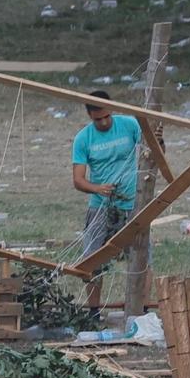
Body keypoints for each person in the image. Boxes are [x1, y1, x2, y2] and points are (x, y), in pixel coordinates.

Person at [70, 90, 144, 258]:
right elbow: (78, 180)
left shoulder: (130, 124)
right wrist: (97, 189)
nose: (103, 122)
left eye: (107, 116)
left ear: (112, 109)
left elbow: (155, 153)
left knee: (141, 259)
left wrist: (158, 140)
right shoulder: (83, 139)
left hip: (132, 204)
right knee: (91, 262)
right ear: (89, 115)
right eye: (98, 119)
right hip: (101, 207)